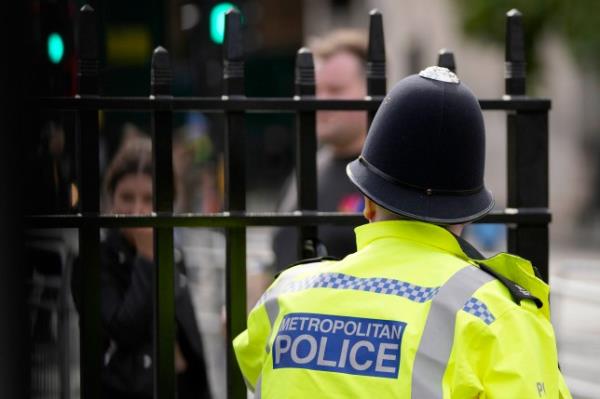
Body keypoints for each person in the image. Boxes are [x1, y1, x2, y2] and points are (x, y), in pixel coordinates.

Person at [234, 67, 573, 398]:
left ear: (367, 205)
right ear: (466, 216)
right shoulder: (497, 316)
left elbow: (251, 364)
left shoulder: (286, 295)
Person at [71, 136, 211, 399]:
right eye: (127, 197)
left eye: (149, 199)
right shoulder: (95, 262)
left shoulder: (173, 254)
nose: (138, 209)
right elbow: (124, 331)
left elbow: (188, 337)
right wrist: (146, 258)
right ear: (111, 198)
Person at [272, 29, 368, 270]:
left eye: (335, 89)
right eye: (315, 89)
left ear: (373, 90)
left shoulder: (389, 177)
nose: (320, 100)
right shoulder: (308, 168)